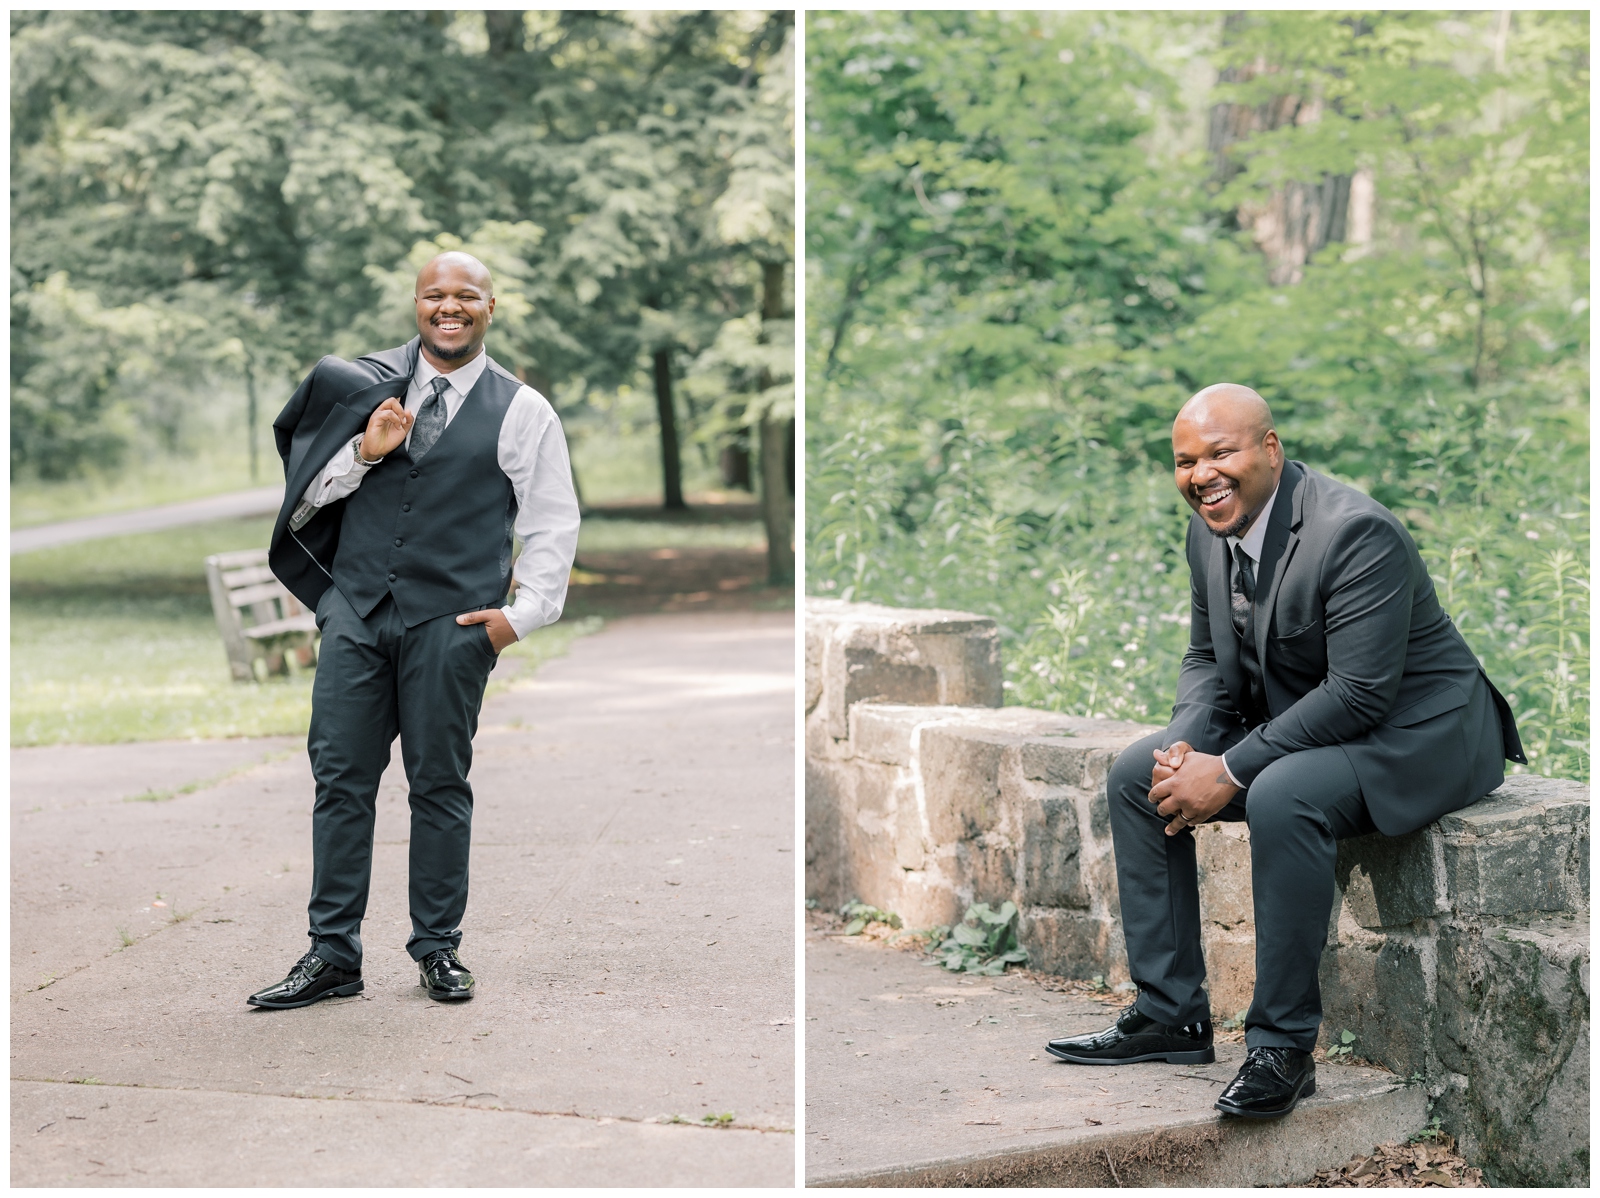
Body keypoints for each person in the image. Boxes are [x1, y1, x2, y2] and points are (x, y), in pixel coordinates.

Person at [1043, 384, 1522, 1118]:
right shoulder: (1209, 531)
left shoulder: (1355, 531)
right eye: (1184, 461)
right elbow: (1207, 659)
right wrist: (1184, 748)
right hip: (1313, 723)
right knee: (1139, 775)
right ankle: (1171, 1014)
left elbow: (1360, 694)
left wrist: (1230, 768)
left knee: (1281, 792)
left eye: (1220, 452)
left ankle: (1282, 1048)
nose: (1202, 474)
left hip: (1415, 734)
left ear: (1270, 449)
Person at [247, 251, 580, 1009]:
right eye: (436, 295)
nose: (449, 307)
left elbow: (554, 523)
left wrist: (515, 621)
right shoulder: (363, 387)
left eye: (466, 296)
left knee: (437, 786)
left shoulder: (523, 409)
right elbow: (307, 500)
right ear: (417, 304)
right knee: (340, 783)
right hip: (357, 615)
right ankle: (332, 955)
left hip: (451, 625)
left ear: (491, 307)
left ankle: (437, 949)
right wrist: (367, 452)